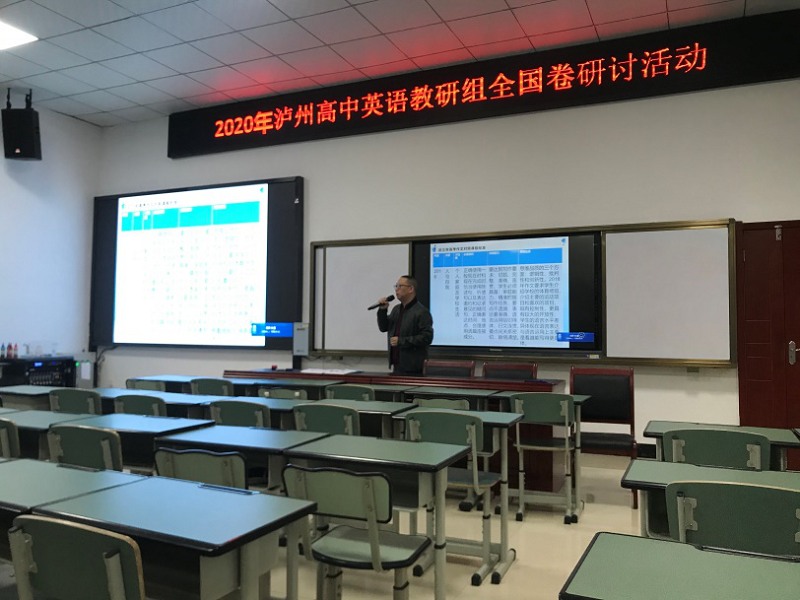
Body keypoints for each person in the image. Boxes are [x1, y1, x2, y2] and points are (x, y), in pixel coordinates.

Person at [376, 275, 433, 376]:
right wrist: (382, 310)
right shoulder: (396, 310)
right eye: (396, 286)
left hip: (414, 368)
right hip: (397, 365)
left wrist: (402, 341)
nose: (396, 289)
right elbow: (384, 327)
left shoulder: (421, 312)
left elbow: (427, 337)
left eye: (400, 286)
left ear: (411, 289)